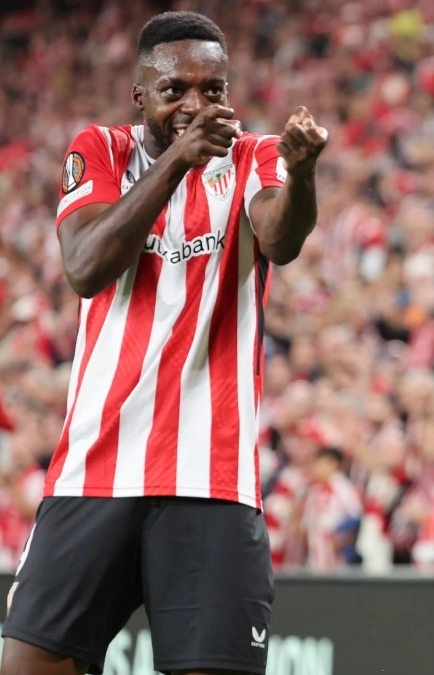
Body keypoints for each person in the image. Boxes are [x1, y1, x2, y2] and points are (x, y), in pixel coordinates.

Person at [1, 11, 327, 675]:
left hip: (210, 477)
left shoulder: (254, 157)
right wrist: (179, 158)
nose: (197, 104)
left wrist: (303, 175)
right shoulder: (99, 150)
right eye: (177, 89)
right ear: (140, 95)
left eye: (214, 89)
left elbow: (281, 239)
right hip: (96, 468)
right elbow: (86, 265)